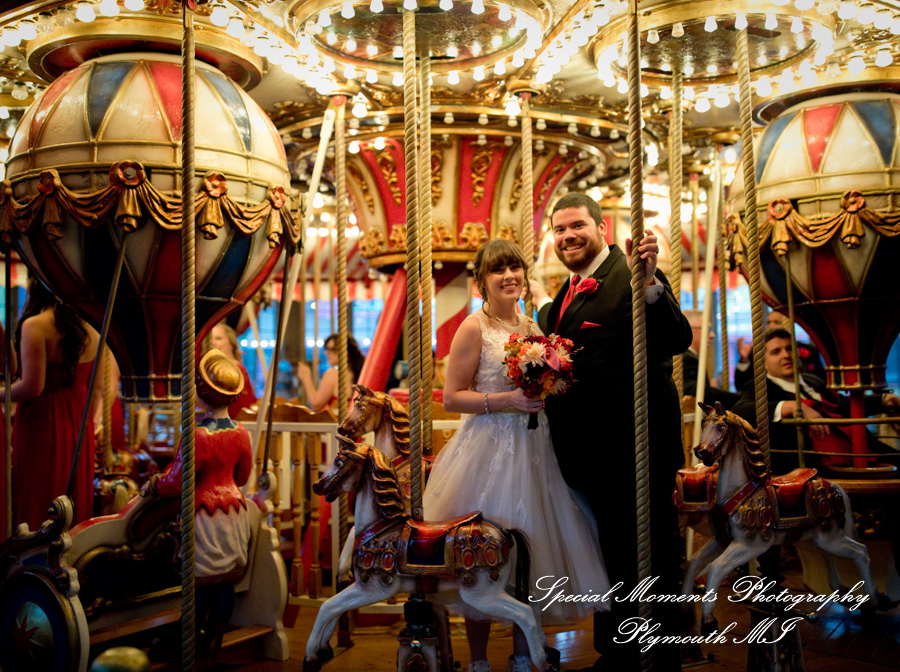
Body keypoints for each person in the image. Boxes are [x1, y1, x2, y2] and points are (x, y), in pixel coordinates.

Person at [423, 239, 609, 672]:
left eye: (515, 268)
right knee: (481, 556)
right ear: (482, 282)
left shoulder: (531, 326)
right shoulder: (473, 327)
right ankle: (479, 661)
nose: (509, 276)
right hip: (487, 449)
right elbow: (452, 397)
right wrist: (507, 400)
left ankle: (525, 655)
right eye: (498, 270)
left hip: (533, 447)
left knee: (533, 552)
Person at [530, 192, 691, 672]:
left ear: (601, 228)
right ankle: (618, 650)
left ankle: (658, 653)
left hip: (631, 445)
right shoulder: (568, 290)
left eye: (577, 226)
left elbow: (675, 338)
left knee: (647, 548)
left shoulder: (630, 275)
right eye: (560, 230)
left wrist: (651, 285)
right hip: (589, 452)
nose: (568, 236)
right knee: (612, 552)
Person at [143, 348, 254, 655]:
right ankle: (216, 634)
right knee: (225, 580)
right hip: (234, 512)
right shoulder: (241, 432)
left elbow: (176, 482)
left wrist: (154, 483)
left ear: (202, 393)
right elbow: (242, 476)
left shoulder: (198, 435)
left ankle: (190, 638)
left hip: (205, 514)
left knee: (201, 582)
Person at [1, 276, 100, 530]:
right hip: (79, 419)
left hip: (43, 421)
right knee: (73, 492)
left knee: (39, 492)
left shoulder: (35, 325)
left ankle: (35, 552)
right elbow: (97, 387)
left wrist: (1, 393)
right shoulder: (92, 328)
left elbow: (33, 387)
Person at [732, 327, 900, 474]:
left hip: (862, 450)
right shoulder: (760, 388)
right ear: (763, 362)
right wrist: (793, 407)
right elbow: (741, 410)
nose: (786, 355)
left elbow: (844, 406)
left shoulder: (813, 381)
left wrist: (883, 400)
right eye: (776, 352)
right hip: (815, 464)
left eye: (790, 349)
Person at [734, 310, 825, 391]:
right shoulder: (758, 350)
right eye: (769, 322)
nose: (771, 325)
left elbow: (821, 378)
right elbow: (742, 386)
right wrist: (744, 360)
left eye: (776, 322)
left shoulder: (809, 351)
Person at [682, 310, 738, 409]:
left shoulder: (689, 357)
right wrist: (738, 399)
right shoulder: (687, 358)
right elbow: (695, 391)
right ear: (689, 330)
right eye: (707, 329)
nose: (712, 335)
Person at [295, 333, 365, 413]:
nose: (326, 353)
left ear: (345, 351)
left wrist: (306, 378)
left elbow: (316, 405)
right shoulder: (359, 372)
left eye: (332, 349)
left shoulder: (333, 374)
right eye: (326, 349)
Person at [206, 322, 257, 419]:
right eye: (210, 339)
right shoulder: (209, 369)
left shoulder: (234, 369)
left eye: (218, 338)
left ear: (231, 343)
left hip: (233, 420)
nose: (213, 342)